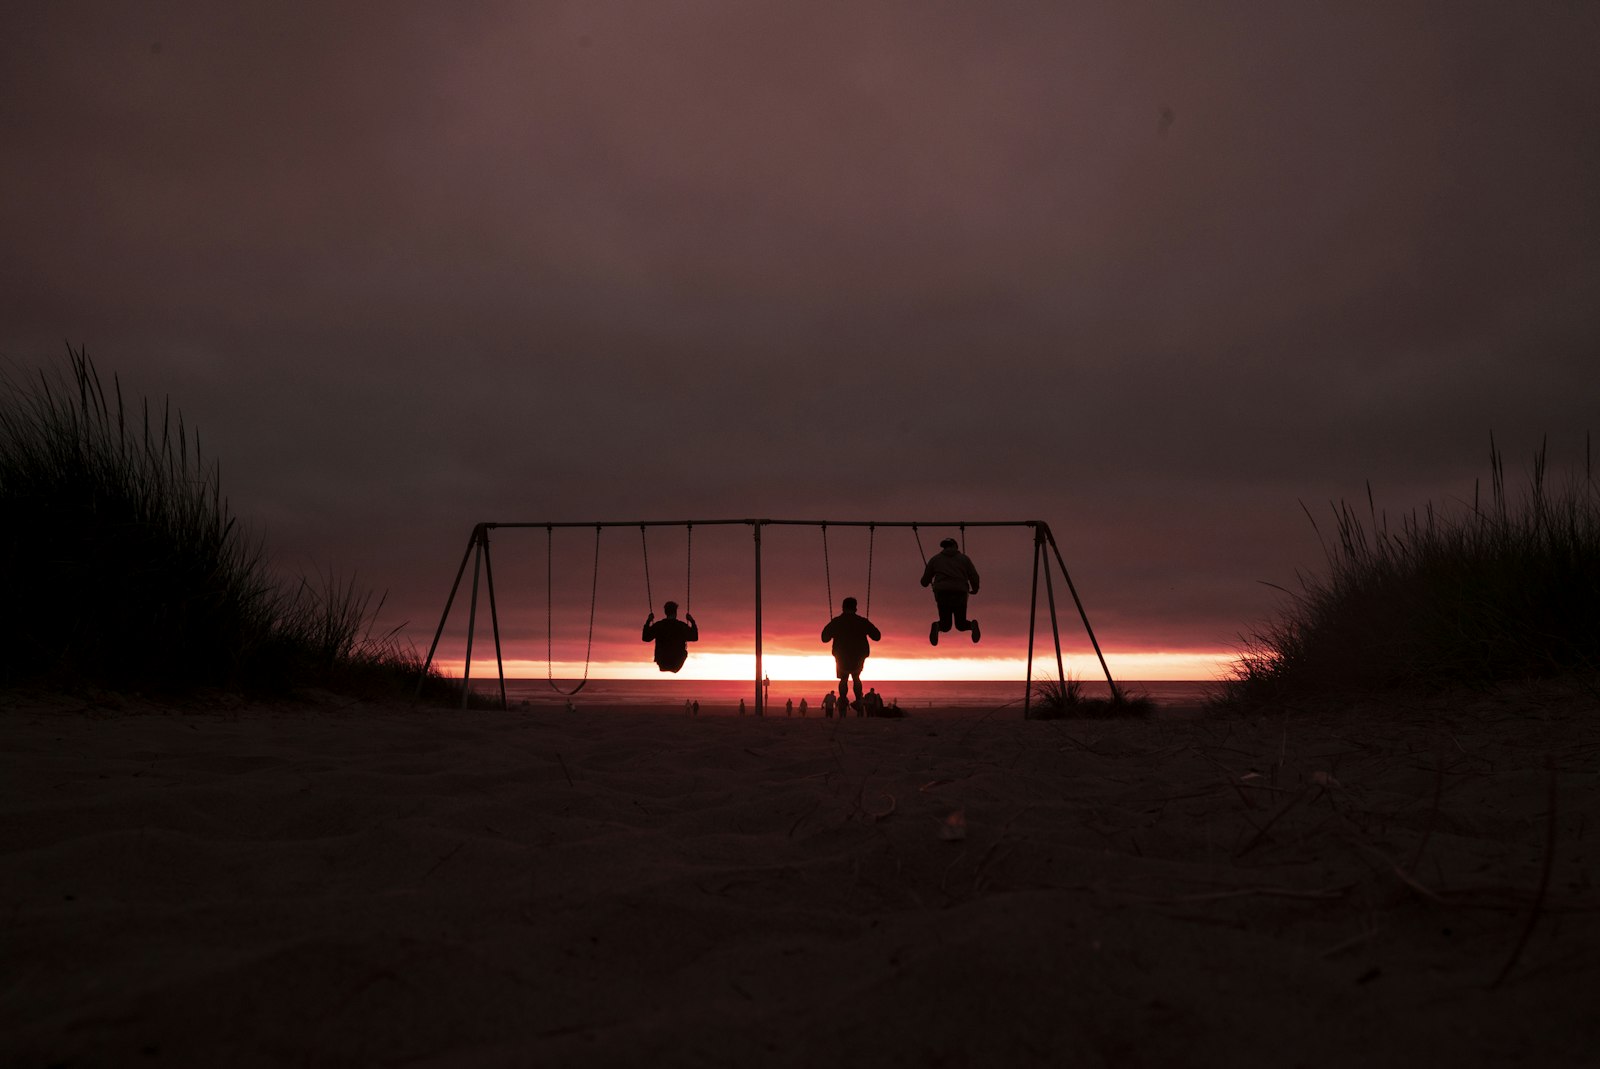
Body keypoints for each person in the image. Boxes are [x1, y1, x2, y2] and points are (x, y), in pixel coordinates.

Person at [821, 596, 881, 713]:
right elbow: (877, 636)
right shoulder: (862, 621)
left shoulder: (837, 622)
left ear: (843, 608)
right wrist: (866, 627)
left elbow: (824, 638)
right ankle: (859, 700)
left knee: (843, 678)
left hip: (841, 655)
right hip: (858, 656)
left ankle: (843, 700)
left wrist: (833, 629)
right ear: (856, 608)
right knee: (856, 677)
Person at [921, 537, 981, 645]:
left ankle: (937, 626)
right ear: (956, 546)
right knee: (961, 624)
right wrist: (975, 588)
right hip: (960, 593)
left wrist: (927, 581)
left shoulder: (935, 559)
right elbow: (974, 576)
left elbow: (924, 581)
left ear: (944, 547)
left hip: (943, 594)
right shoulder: (964, 559)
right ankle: (972, 625)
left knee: (945, 625)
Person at [641, 601, 698, 672]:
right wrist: (692, 621)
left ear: (665, 612)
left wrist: (648, 621)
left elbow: (645, 638)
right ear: (675, 613)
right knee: (684, 652)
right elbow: (695, 637)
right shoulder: (681, 626)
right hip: (676, 662)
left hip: (662, 662)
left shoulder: (659, 626)